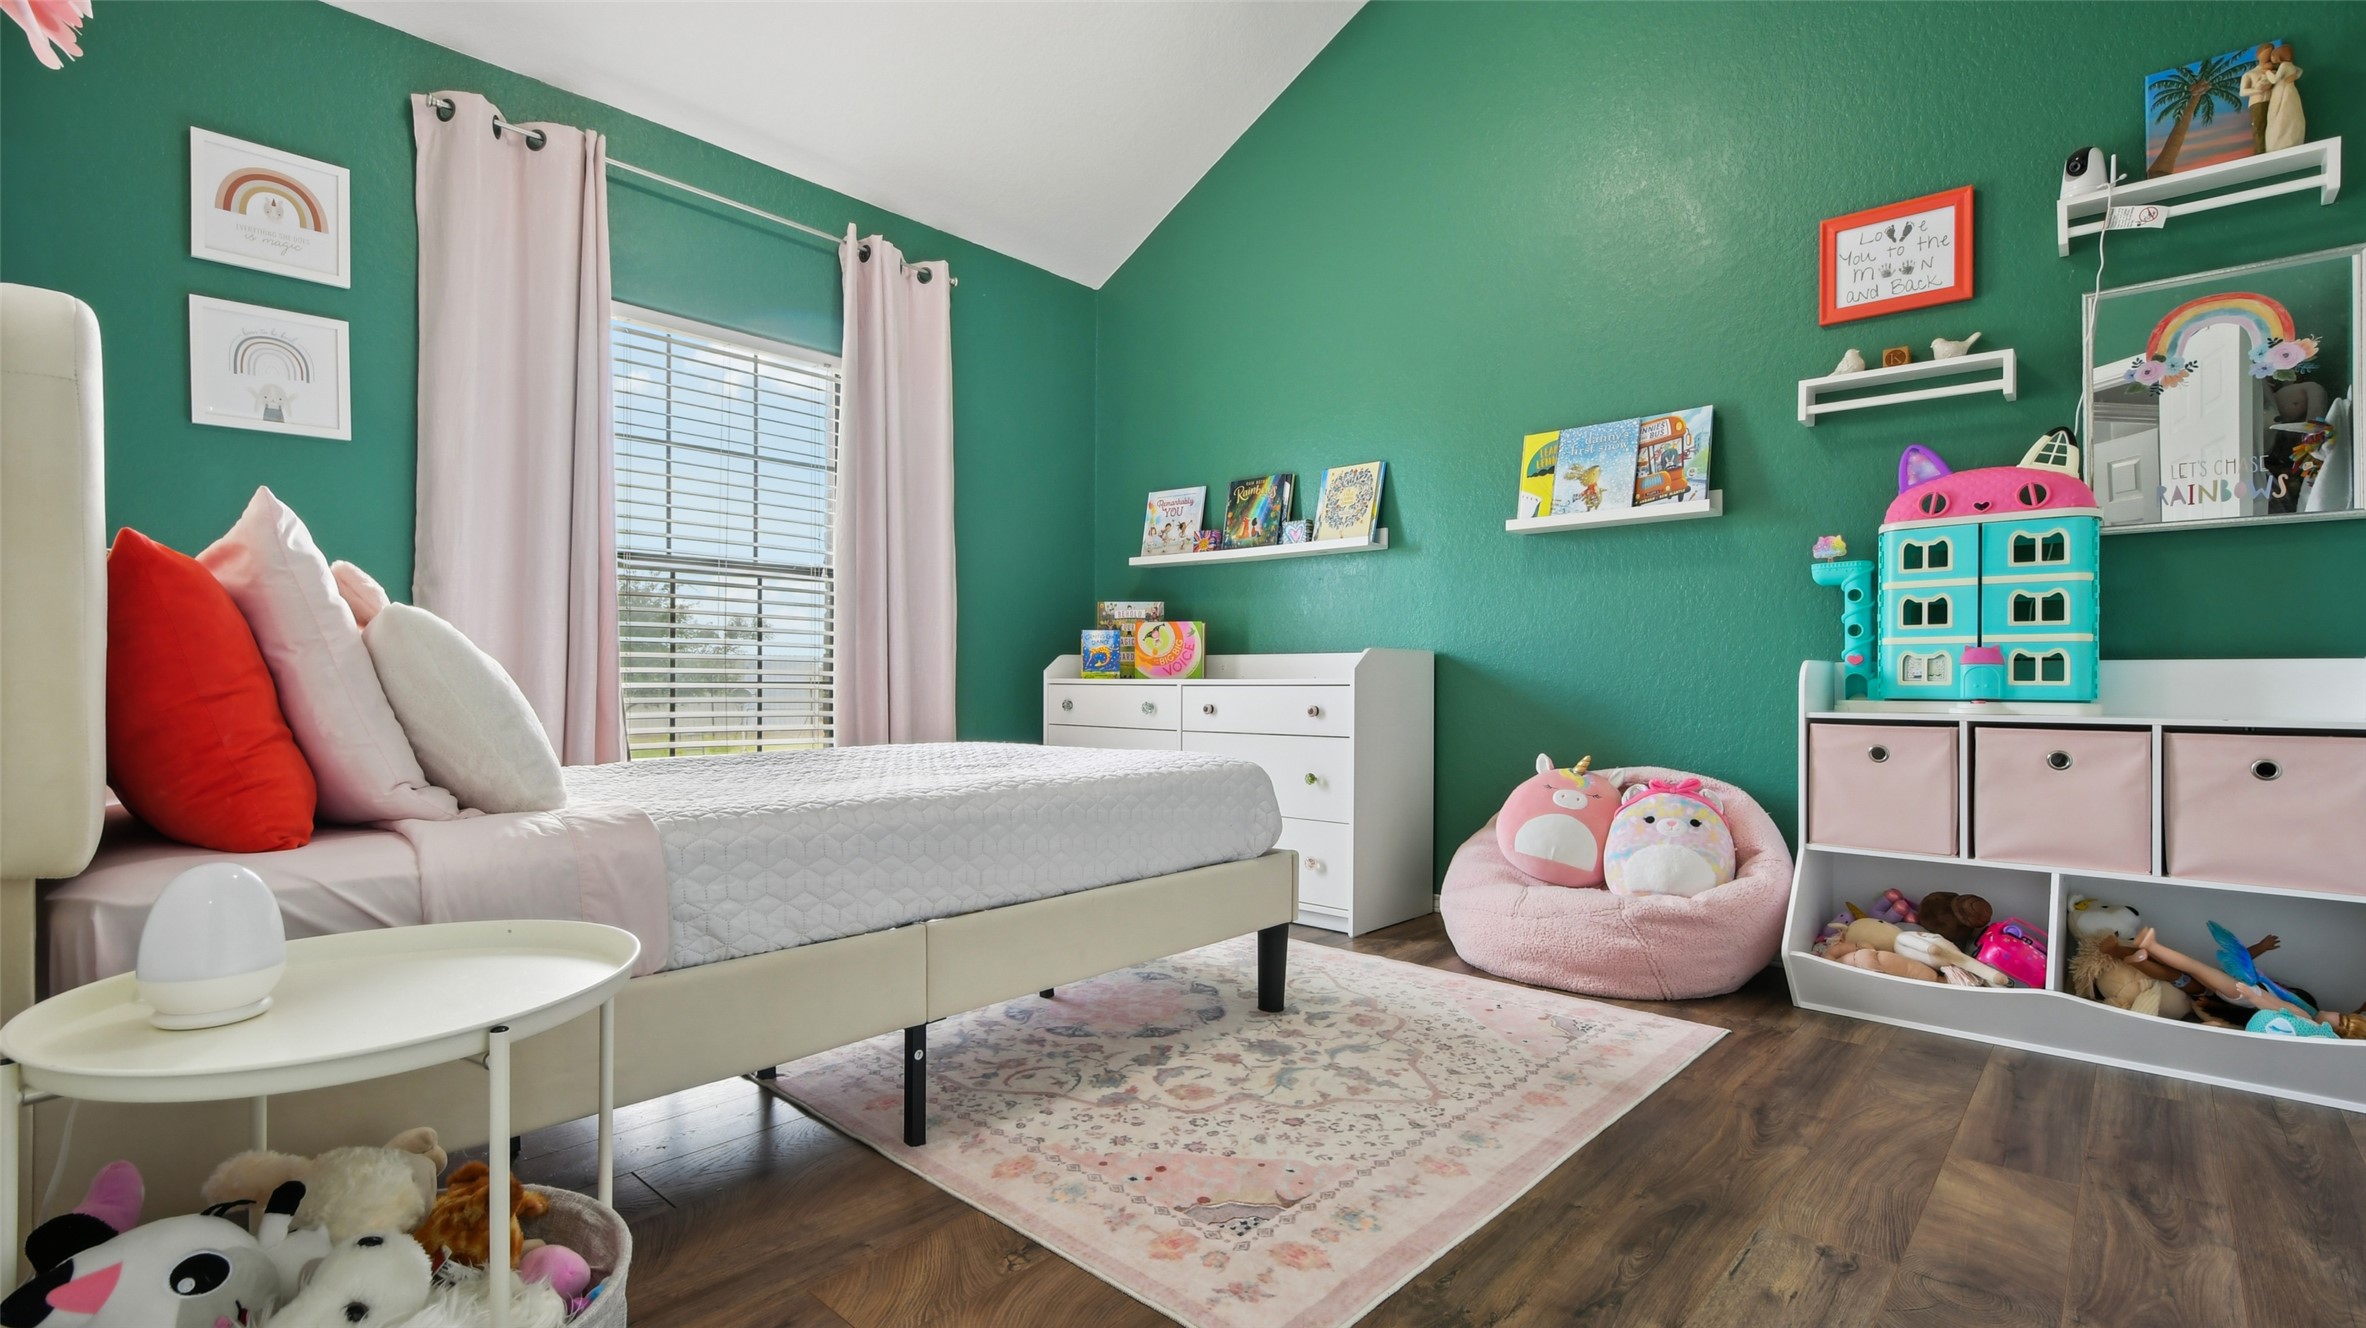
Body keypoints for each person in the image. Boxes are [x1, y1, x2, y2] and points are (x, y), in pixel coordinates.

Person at [2264, 42, 2305, 153]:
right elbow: (2301, 71)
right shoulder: (2290, 65)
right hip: (2290, 89)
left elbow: (2274, 80)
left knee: (2278, 114)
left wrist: (2267, 72)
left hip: (2281, 90)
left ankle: (2276, 142)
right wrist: (2294, 77)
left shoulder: (2284, 66)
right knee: (2291, 113)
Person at [2238, 44, 2277, 156]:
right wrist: (2258, 90)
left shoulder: (2273, 71)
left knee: (2272, 124)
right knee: (2259, 127)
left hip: (2271, 100)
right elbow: (2243, 92)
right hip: (2257, 103)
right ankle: (2260, 151)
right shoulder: (2250, 74)